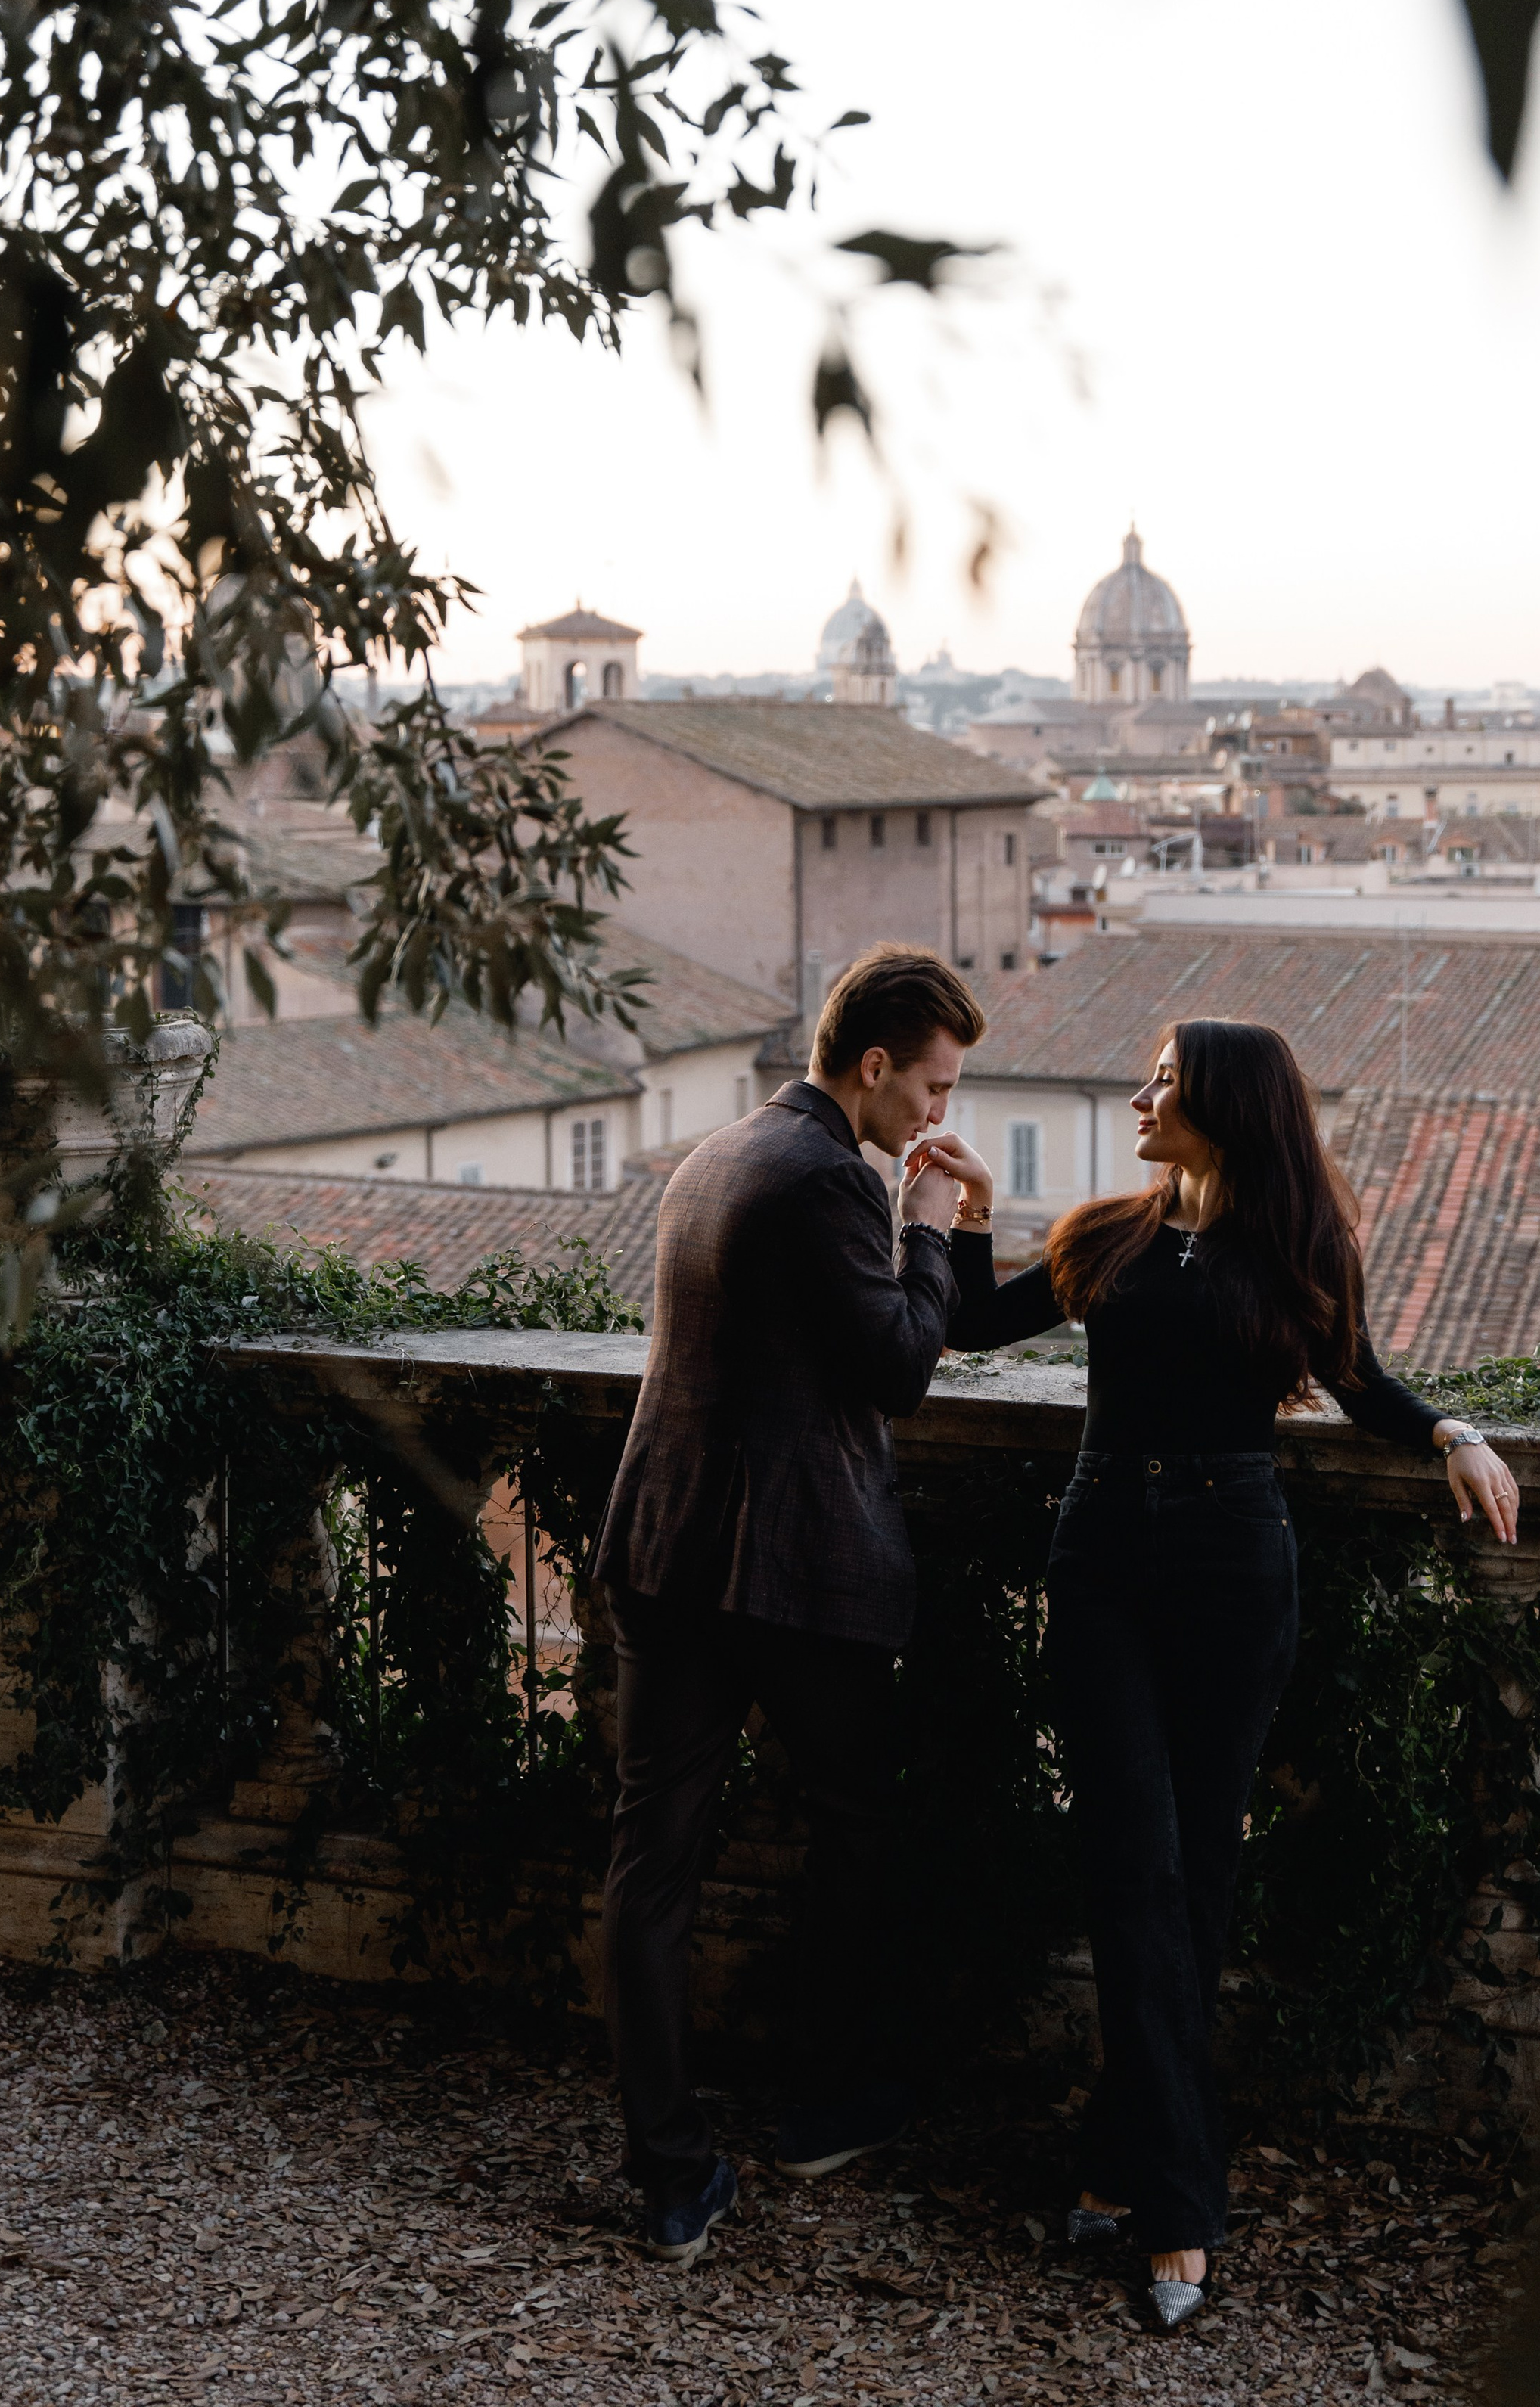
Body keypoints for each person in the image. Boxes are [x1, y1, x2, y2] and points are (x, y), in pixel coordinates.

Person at [911, 1017, 1520, 2331]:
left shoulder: (1300, 1248)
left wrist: (1455, 1435)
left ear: (1228, 1107)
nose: (1139, 1097)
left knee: (1198, 1873)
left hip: (1237, 1564)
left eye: (1165, 1084)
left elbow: (1359, 1379)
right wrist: (967, 1209)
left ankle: (1126, 2163)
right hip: (1105, 1555)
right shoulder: (1104, 1234)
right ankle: (1182, 2203)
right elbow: (963, 1326)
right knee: (1133, 1865)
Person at [590, 942, 987, 2266]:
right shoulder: (828, 1176)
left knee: (653, 1869)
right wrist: (930, 1233)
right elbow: (895, 1368)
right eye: (930, 1089)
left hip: (665, 1549)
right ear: (873, 1068)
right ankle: (822, 2103)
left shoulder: (719, 1151)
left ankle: (670, 2169)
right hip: (785, 1569)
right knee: (857, 1831)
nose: (937, 1115)